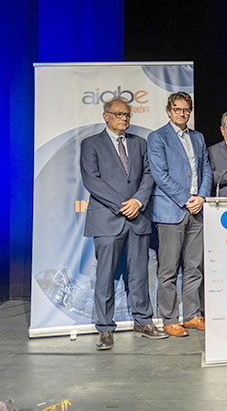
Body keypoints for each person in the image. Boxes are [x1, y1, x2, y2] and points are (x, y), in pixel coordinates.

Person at [80, 98, 166, 350]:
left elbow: (149, 175)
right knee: (105, 276)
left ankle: (143, 321)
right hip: (108, 220)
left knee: (139, 275)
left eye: (127, 114)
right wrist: (123, 205)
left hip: (137, 219)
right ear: (106, 116)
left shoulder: (140, 144)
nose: (124, 118)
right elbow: (92, 180)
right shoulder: (91, 144)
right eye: (118, 114)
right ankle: (105, 328)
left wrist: (138, 201)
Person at [148, 91, 212, 337]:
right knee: (169, 270)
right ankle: (169, 319)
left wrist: (202, 197)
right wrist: (187, 199)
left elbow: (206, 168)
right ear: (169, 111)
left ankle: (193, 315)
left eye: (186, 110)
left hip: (197, 210)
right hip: (171, 211)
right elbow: (160, 174)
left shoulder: (198, 137)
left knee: (194, 267)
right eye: (177, 109)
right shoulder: (157, 138)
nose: (182, 114)